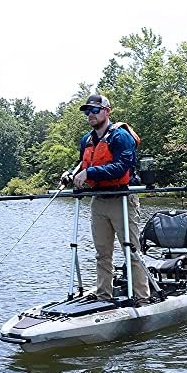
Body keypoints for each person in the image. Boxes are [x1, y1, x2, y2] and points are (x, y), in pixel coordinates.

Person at [64, 94, 150, 306]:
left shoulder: (121, 137)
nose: (90, 115)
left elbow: (121, 167)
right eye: (87, 111)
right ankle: (104, 297)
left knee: (131, 251)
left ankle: (142, 299)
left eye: (95, 110)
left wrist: (90, 173)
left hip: (122, 199)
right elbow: (81, 164)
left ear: (107, 111)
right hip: (98, 201)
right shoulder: (87, 140)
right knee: (102, 253)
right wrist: (70, 174)